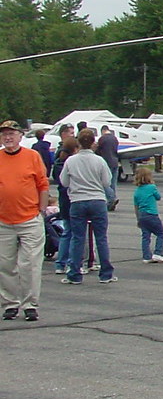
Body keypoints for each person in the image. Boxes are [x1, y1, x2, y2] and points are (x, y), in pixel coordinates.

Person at [0, 120, 49, 322]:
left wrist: (42, 211)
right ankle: (10, 303)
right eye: (4, 134)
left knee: (29, 264)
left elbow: (42, 184)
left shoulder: (32, 156)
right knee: (5, 265)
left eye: (12, 133)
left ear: (21, 136)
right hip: (4, 221)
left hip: (29, 218)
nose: (8, 137)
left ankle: (30, 304)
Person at [60, 128, 117, 285]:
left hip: (78, 200)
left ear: (78, 142)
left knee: (78, 238)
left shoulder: (71, 161)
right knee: (101, 237)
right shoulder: (99, 161)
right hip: (97, 200)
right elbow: (106, 182)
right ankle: (106, 273)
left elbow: (64, 182)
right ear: (93, 143)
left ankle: (75, 273)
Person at [51, 138, 79, 275]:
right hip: (72, 199)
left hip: (63, 200)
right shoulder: (72, 164)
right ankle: (71, 262)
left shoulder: (58, 163)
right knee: (76, 234)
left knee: (66, 232)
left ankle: (60, 263)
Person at [133, 167, 163, 263]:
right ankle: (158, 253)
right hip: (152, 214)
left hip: (142, 215)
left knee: (145, 236)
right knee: (161, 233)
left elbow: (136, 207)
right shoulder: (152, 187)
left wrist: (138, 219)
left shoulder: (137, 191)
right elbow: (158, 197)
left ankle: (146, 256)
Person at [96, 124, 120, 210]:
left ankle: (111, 198)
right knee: (113, 183)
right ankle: (112, 200)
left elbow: (98, 151)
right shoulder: (115, 138)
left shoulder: (102, 139)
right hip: (115, 162)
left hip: (106, 162)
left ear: (102, 131)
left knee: (105, 183)